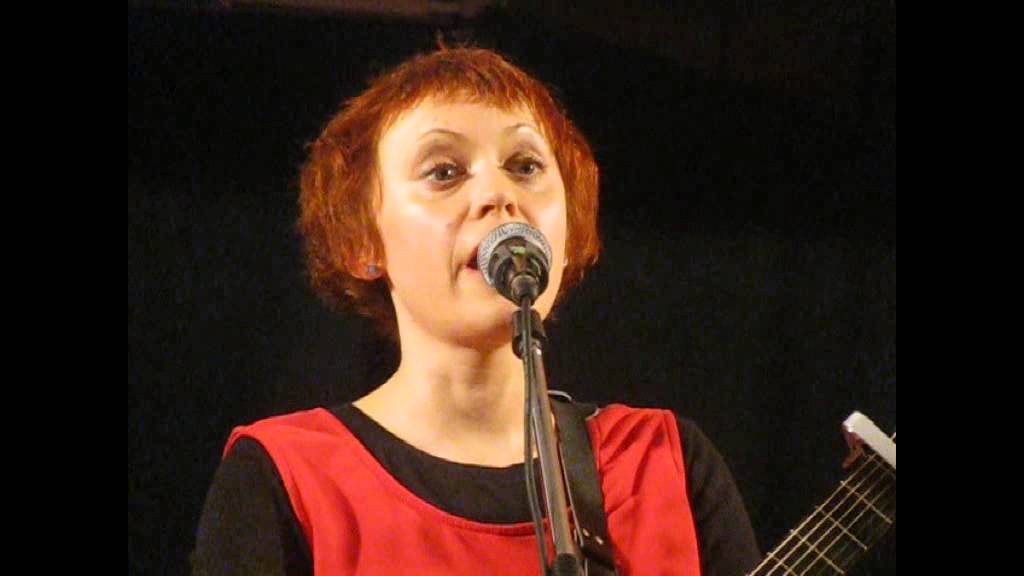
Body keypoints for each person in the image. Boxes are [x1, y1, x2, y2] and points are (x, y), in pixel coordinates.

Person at [192, 46, 760, 576]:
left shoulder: (665, 461)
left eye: (525, 165)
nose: (497, 194)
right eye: (444, 171)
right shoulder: (286, 475)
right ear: (361, 241)